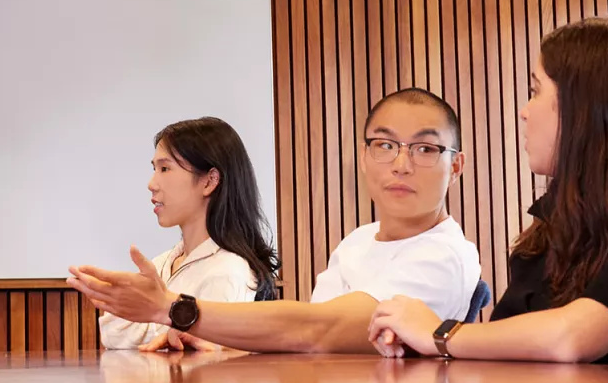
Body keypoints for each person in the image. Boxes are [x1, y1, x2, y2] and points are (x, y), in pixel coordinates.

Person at [367, 19, 608, 366]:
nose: (524, 110)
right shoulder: (556, 226)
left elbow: (571, 337)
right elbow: (513, 340)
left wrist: (439, 334)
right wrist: (418, 340)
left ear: (586, 109)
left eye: (536, 91)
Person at [70, 88, 480, 354]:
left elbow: (317, 331)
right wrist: (218, 344)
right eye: (385, 145)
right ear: (364, 156)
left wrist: (172, 310)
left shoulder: (444, 254)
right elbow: (307, 337)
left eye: (425, 148)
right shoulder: (358, 241)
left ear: (456, 165)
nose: (402, 164)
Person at [98, 117, 280, 350]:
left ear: (209, 181)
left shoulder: (228, 271)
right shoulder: (163, 263)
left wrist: (154, 313)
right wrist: (170, 319)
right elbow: (112, 333)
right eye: (154, 169)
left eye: (165, 169)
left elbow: (203, 352)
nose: (151, 184)